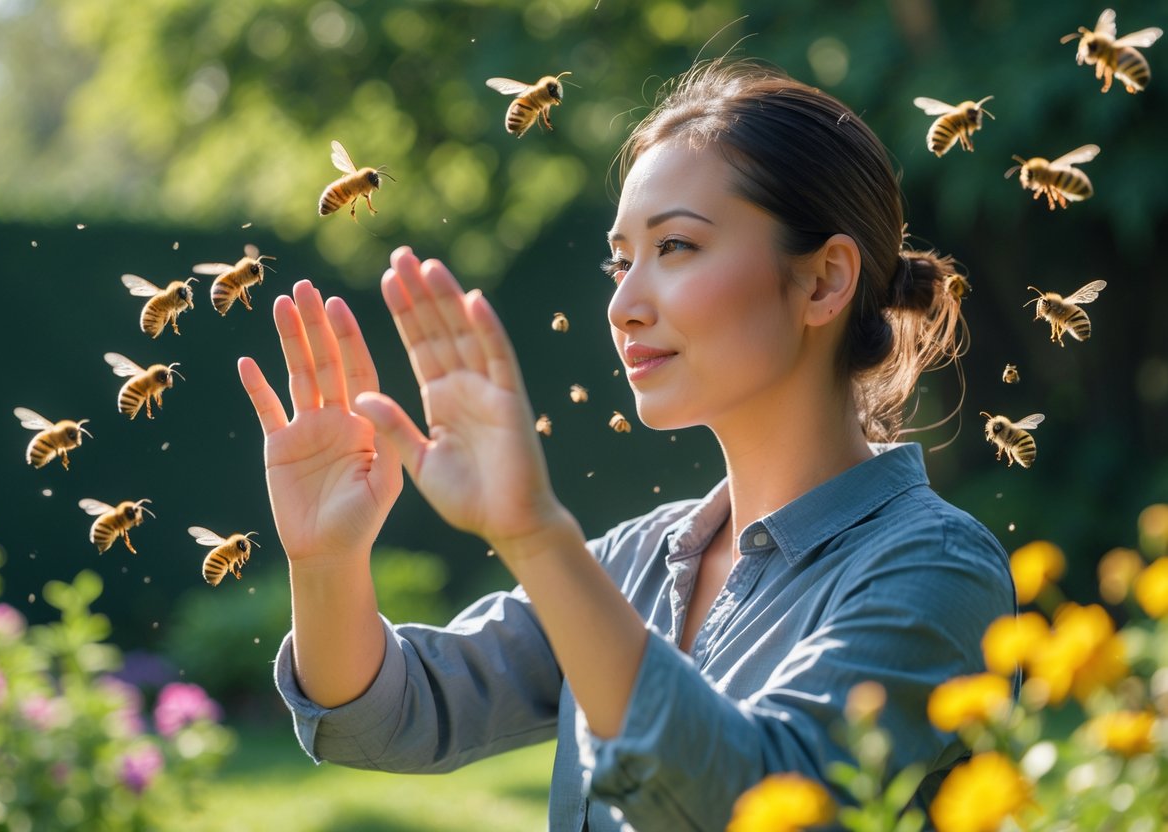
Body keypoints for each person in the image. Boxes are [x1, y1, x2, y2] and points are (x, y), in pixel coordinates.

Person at [238, 60, 1016, 832]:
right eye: (620, 260)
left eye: (675, 247)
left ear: (822, 281)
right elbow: (389, 713)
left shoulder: (936, 569)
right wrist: (326, 562)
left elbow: (761, 800)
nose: (622, 304)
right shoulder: (632, 564)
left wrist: (534, 536)